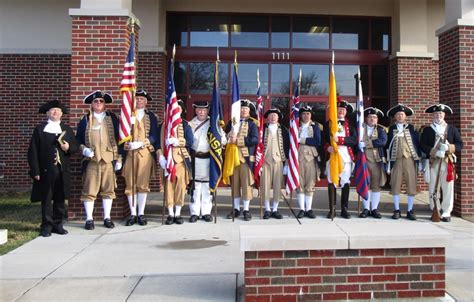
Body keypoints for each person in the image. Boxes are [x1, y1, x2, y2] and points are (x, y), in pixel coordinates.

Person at [28, 100, 79, 237]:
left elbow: (75, 147)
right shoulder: (40, 129)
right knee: (46, 199)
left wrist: (68, 148)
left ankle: (58, 224)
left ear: (62, 114)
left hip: (62, 171)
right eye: (52, 110)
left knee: (60, 198)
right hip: (46, 171)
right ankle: (46, 226)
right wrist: (35, 171)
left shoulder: (66, 129)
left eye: (58, 110)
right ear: (47, 113)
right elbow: (32, 151)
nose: (55, 112)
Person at [76, 91, 122, 230]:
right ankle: (89, 219)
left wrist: (119, 158)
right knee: (89, 190)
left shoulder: (112, 118)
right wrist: (84, 150)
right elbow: (78, 140)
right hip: (92, 160)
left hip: (108, 159)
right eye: (96, 102)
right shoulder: (85, 119)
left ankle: (107, 218)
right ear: (92, 104)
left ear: (105, 104)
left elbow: (120, 139)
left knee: (108, 190)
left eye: (101, 101)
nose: (98, 104)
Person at [420, 104, 463, 222]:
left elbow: (460, 145)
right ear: (432, 116)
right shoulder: (428, 130)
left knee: (448, 187)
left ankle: (446, 211)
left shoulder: (452, 129)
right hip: (433, 162)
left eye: (440, 114)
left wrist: (449, 147)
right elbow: (422, 146)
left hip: (447, 162)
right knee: (433, 187)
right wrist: (434, 152)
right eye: (435, 114)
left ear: (444, 115)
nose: (438, 116)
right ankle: (435, 209)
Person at [122, 89, 159, 226]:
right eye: (137, 99)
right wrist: (126, 144)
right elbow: (120, 134)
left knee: (143, 185)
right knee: (130, 184)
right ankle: (133, 214)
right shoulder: (127, 115)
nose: (139, 101)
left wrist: (144, 142)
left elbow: (155, 135)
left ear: (146, 102)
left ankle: (141, 213)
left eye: (142, 99)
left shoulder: (151, 117)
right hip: (130, 153)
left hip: (144, 152)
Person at [158, 100, 194, 225]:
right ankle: (170, 213)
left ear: (182, 110)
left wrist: (178, 142)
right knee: (168, 187)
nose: (175, 111)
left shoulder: (185, 124)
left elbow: (190, 142)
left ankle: (177, 213)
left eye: (178, 108)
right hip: (168, 160)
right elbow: (158, 143)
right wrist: (160, 157)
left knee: (180, 187)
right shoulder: (164, 125)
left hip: (181, 160)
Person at [225, 100, 259, 221]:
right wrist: (228, 136)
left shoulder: (252, 124)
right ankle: (235, 209)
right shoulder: (232, 122)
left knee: (246, 185)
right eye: (242, 108)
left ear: (249, 111)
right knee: (235, 185)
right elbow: (224, 136)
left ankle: (246, 209)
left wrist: (238, 141)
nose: (244, 110)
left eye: (246, 109)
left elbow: (255, 139)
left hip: (245, 159)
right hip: (232, 159)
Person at [188, 101, 221, 223]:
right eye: (199, 110)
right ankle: (195, 212)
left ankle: (206, 212)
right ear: (196, 110)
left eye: (204, 110)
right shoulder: (190, 124)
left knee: (207, 187)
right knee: (195, 187)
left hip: (209, 159)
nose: (201, 112)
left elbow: (222, 140)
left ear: (207, 111)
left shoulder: (213, 124)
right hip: (195, 158)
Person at [386, 104, 420, 220]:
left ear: (405, 116)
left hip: (409, 159)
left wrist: (420, 160)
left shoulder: (411, 128)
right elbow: (387, 145)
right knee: (395, 184)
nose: (400, 116)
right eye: (398, 115)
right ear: (395, 117)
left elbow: (417, 144)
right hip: (396, 160)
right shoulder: (391, 129)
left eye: (402, 114)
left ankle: (410, 210)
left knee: (411, 185)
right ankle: (397, 210)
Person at [324, 100, 357, 219]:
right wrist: (327, 147)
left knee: (345, 182)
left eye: (343, 109)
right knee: (332, 181)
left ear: (346, 111)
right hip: (333, 157)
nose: (341, 111)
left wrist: (341, 141)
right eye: (338, 109)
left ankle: (344, 209)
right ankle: (332, 210)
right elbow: (323, 140)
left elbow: (354, 140)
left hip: (346, 157)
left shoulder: (351, 124)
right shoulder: (328, 124)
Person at [358, 107, 388, 219]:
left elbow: (382, 141)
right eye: (370, 117)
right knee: (365, 185)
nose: (372, 119)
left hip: (376, 161)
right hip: (363, 160)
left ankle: (374, 208)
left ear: (377, 120)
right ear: (366, 118)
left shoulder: (381, 130)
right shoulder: (360, 129)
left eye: (374, 117)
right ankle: (366, 208)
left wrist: (366, 144)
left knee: (376, 186)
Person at [261, 108, 289, 219]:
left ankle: (275, 209)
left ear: (278, 117)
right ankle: (267, 209)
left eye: (275, 115)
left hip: (278, 161)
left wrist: (286, 163)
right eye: (271, 115)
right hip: (265, 161)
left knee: (278, 186)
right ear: (268, 117)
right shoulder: (262, 129)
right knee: (265, 185)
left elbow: (287, 146)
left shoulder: (283, 129)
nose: (273, 117)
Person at [296, 105, 321, 219]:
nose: (306, 116)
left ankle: (309, 209)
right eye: (304, 114)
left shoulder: (316, 126)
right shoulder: (296, 125)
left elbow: (317, 141)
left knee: (310, 183)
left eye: (308, 114)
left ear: (311, 115)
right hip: (298, 156)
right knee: (300, 183)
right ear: (300, 115)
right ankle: (301, 209)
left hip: (311, 157)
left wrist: (301, 140)